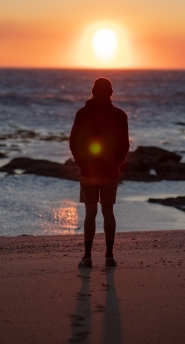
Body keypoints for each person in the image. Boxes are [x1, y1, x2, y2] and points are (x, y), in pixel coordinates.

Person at [69, 77, 129, 268]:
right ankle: (109, 256)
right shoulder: (120, 115)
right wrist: (116, 163)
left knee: (90, 212)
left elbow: (74, 142)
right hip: (110, 171)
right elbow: (125, 145)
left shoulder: (82, 113)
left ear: (93, 91)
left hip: (88, 171)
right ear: (111, 93)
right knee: (108, 211)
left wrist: (81, 162)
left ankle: (87, 257)